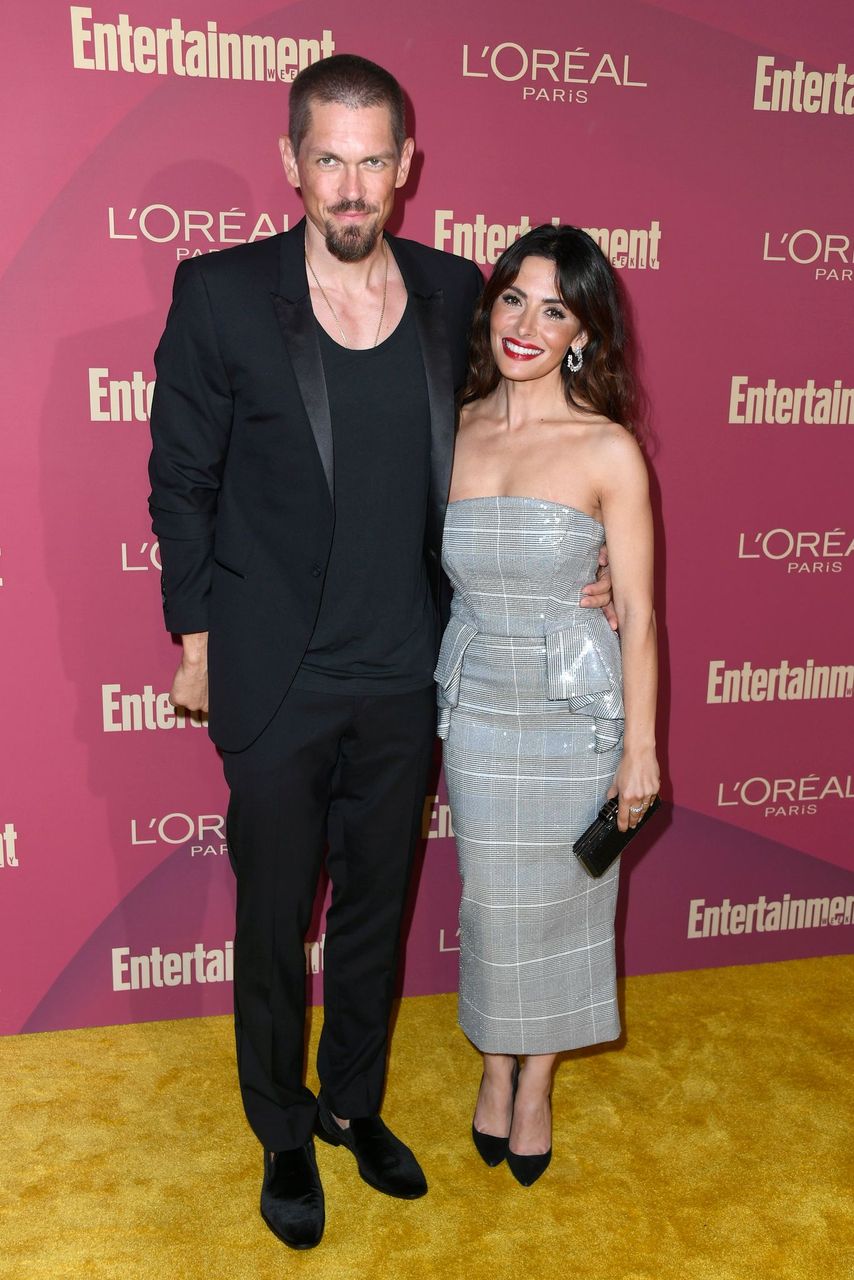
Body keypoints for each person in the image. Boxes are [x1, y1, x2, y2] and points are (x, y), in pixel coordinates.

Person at [149, 56, 612, 1248]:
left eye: (373, 161)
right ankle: (283, 1128)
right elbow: (180, 480)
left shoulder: (461, 292)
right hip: (275, 672)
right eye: (328, 159)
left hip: (408, 670)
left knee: (373, 912)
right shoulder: (220, 293)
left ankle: (352, 1104)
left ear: (407, 169)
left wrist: (582, 558)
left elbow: (528, 431)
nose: (351, 187)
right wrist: (195, 633)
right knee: (271, 922)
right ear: (290, 163)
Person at [436, 224, 659, 1186]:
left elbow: (641, 612)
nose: (526, 324)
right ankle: (495, 1064)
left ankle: (536, 1087)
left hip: (578, 712)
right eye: (513, 299)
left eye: (555, 308)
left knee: (570, 901)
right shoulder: (448, 427)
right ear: (490, 309)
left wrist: (639, 752)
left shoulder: (608, 449)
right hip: (481, 702)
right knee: (492, 902)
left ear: (583, 333)